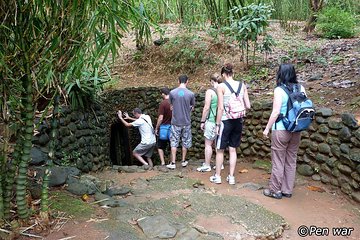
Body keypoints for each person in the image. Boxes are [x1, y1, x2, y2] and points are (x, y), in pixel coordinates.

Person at [262, 63, 304, 199]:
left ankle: (275, 190)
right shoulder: (301, 88)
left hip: (281, 129)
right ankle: (287, 189)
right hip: (296, 129)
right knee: (291, 159)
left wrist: (267, 128)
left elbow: (275, 112)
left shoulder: (279, 90)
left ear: (280, 74)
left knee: (278, 160)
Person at [210, 63, 251, 184]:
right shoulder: (242, 85)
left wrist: (217, 125)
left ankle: (217, 176)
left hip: (225, 121)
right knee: (233, 149)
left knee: (220, 149)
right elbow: (248, 105)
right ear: (233, 73)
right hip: (238, 120)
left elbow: (220, 108)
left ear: (223, 74)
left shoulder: (221, 86)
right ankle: (231, 177)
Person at [166, 75, 195, 169]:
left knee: (174, 141)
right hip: (186, 122)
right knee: (185, 142)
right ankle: (183, 161)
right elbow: (192, 107)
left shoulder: (172, 93)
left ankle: (173, 163)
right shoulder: (191, 94)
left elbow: (171, 106)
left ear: (178, 81)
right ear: (187, 81)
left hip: (175, 121)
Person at [197, 73, 222, 172]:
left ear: (212, 81)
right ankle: (219, 164)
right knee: (218, 144)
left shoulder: (210, 91)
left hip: (211, 120)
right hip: (220, 121)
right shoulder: (223, 90)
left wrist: (203, 121)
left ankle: (207, 164)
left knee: (208, 143)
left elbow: (206, 107)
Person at [155, 87, 172, 166]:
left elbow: (160, 117)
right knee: (172, 145)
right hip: (173, 127)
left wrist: (156, 128)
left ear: (163, 94)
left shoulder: (163, 103)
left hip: (164, 128)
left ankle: (163, 162)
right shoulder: (174, 102)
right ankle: (172, 161)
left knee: (160, 146)